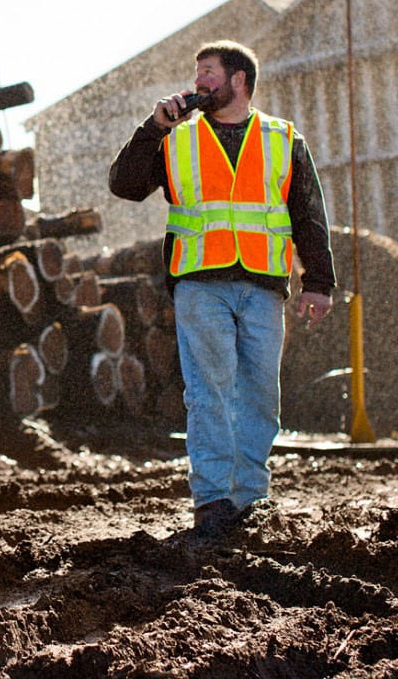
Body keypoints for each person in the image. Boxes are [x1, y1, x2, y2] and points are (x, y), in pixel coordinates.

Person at [108, 40, 335, 537]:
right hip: (200, 284)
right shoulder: (176, 138)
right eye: (197, 73)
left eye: (208, 72)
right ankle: (212, 500)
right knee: (209, 393)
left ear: (239, 80)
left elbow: (309, 214)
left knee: (259, 396)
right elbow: (124, 184)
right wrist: (153, 129)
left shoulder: (283, 138)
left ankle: (251, 499)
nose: (198, 83)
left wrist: (318, 282)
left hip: (263, 286)